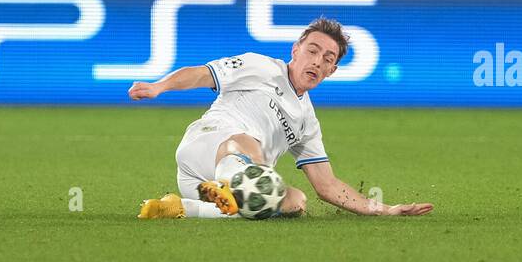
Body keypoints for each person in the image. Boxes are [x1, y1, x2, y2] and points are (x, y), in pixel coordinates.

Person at [133, 18, 433, 219]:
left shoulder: (307, 122)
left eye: (328, 59)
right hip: (206, 146)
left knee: (295, 202)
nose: (317, 61)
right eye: (313, 51)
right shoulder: (261, 67)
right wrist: (160, 86)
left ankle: (182, 207)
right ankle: (237, 186)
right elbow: (202, 74)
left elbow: (327, 185)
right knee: (244, 143)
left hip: (198, 185)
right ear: (296, 50)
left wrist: (386, 209)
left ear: (332, 71)